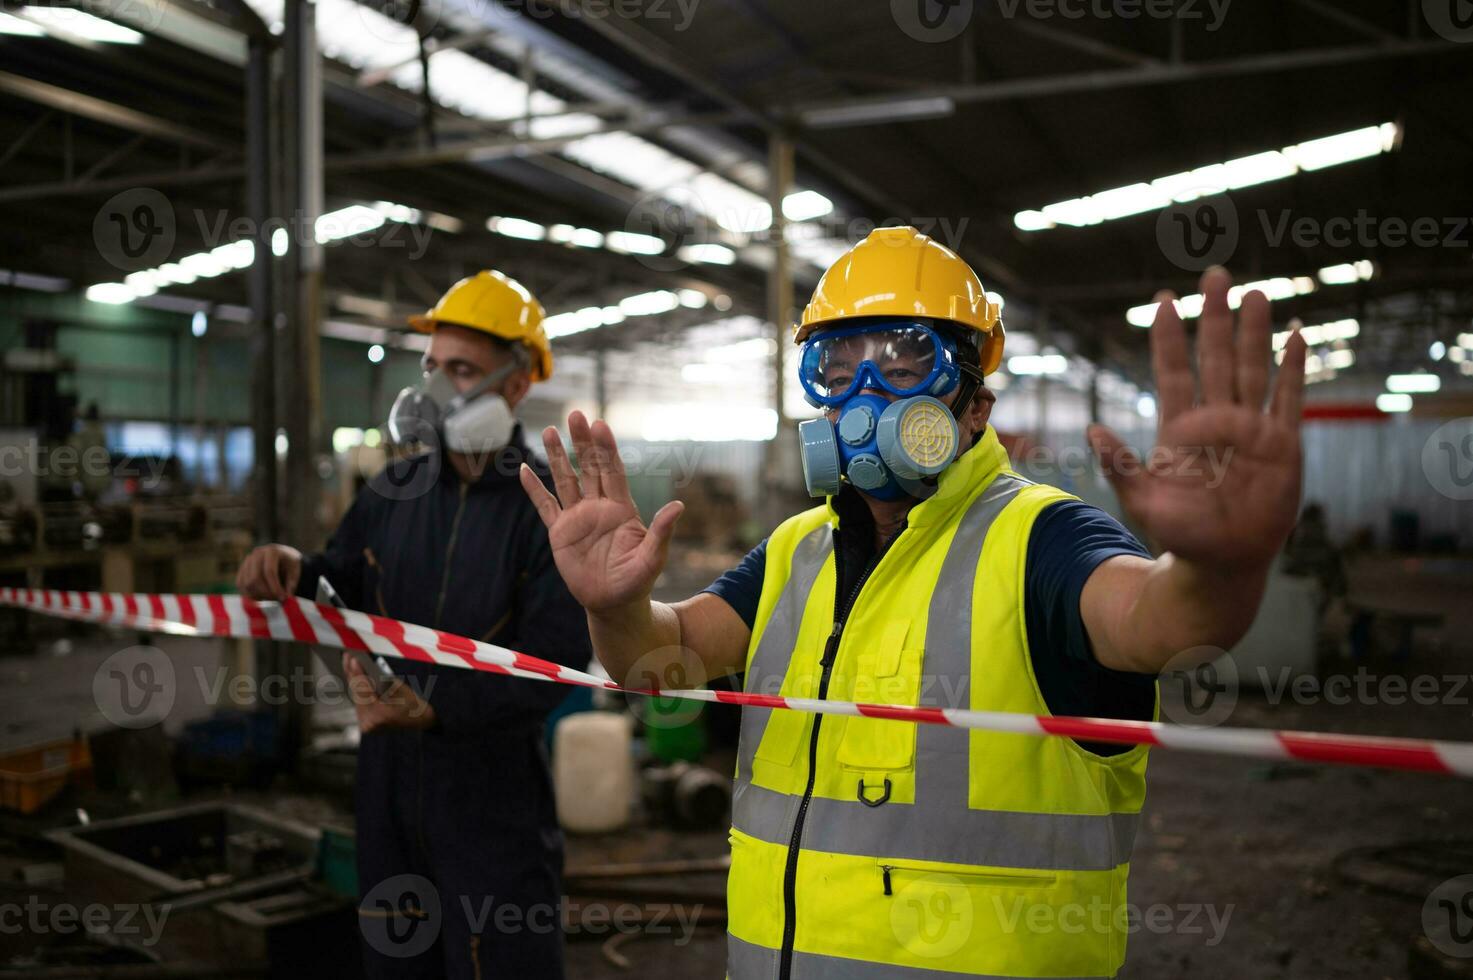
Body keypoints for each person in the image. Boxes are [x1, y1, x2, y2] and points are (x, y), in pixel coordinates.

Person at [519, 227, 1306, 978]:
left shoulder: (1043, 539)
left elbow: (1161, 624)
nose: (862, 397)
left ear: (974, 407)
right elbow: (661, 664)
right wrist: (616, 608)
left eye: (903, 361)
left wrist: (1218, 566)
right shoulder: (797, 549)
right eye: (836, 367)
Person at [237, 270, 591, 979]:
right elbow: (347, 574)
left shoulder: (551, 505)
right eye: (431, 368)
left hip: (490, 794)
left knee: (500, 962)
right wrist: (293, 568)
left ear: (517, 385)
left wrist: (440, 706)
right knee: (397, 961)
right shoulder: (393, 490)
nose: (436, 390)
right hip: (388, 783)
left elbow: (558, 658)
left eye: (461, 370)